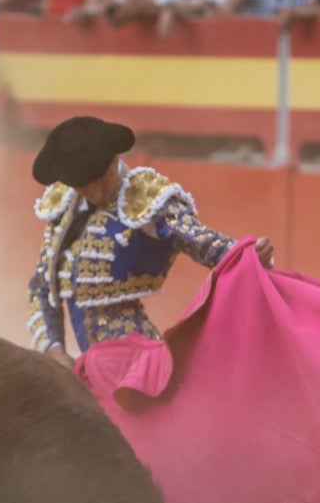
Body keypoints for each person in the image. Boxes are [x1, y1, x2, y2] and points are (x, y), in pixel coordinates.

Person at [26, 115, 274, 362]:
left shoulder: (145, 196)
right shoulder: (65, 207)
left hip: (135, 360)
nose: (94, 192)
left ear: (115, 158)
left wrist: (247, 255)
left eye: (99, 179)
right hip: (87, 365)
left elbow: (202, 241)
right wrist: (54, 350)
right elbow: (42, 285)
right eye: (82, 186)